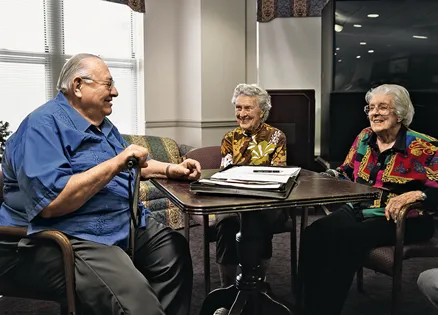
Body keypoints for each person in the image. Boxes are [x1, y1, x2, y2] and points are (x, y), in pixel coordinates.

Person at [0, 53, 201, 315]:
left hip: (121, 222)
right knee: (134, 298)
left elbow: (133, 163)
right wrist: (117, 162)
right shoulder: (42, 126)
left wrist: (172, 169)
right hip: (68, 234)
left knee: (172, 250)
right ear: (78, 85)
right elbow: (51, 203)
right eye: (108, 84)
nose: (115, 92)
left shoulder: (101, 124)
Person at [298, 84, 438, 315]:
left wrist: (418, 194)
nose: (374, 113)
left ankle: (325, 309)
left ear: (400, 113)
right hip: (359, 209)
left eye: (383, 108)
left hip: (404, 219)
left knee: (346, 239)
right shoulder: (365, 137)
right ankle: (306, 303)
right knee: (315, 233)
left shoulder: (425, 147)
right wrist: (323, 177)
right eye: (371, 108)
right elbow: (345, 171)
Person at [215, 83, 288, 288]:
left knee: (258, 218)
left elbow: (278, 175)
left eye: (248, 108)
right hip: (234, 199)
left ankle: (257, 283)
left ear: (262, 112)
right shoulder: (229, 138)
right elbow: (226, 174)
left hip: (267, 200)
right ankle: (228, 290)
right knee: (227, 221)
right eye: (238, 108)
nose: (242, 114)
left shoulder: (277, 137)